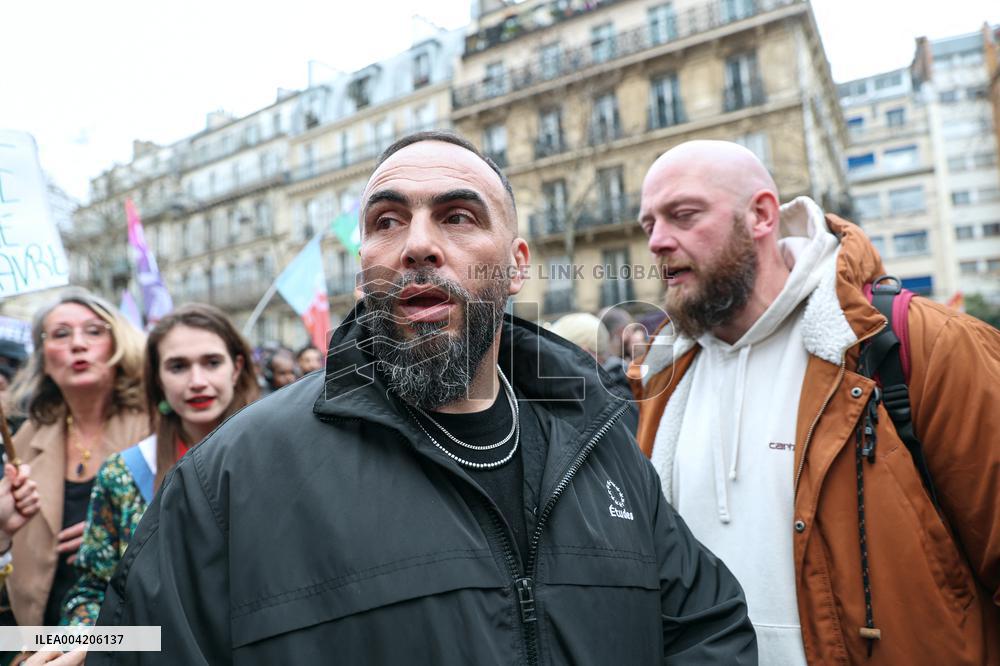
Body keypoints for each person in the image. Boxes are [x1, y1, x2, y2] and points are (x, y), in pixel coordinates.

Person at [90, 131, 756, 665]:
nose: (416, 245)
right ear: (363, 265)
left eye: (458, 216)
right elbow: (131, 639)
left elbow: (708, 626)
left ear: (517, 262)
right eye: (386, 220)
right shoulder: (231, 476)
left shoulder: (600, 441)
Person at [632, 140, 1000, 665]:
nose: (659, 242)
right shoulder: (659, 379)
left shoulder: (919, 344)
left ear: (760, 215)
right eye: (649, 226)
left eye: (683, 215)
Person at [61, 304, 259, 627]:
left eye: (211, 363)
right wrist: (81, 644)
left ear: (236, 368)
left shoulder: (279, 456)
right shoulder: (123, 473)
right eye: (178, 366)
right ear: (158, 377)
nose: (197, 381)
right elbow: (92, 593)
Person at [4, 289, 147, 627]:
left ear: (119, 345)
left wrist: (108, 534)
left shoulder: (156, 430)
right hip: (40, 638)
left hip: (135, 638)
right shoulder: (25, 438)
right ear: (43, 357)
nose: (78, 344)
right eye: (61, 334)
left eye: (94, 331)